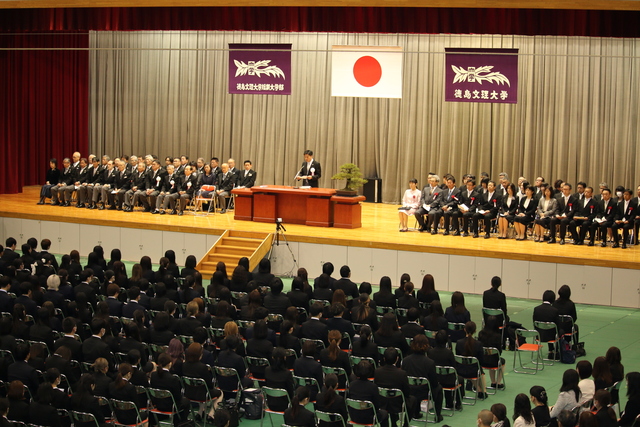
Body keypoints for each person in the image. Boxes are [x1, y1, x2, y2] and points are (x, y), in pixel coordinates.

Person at [402, 334, 443, 422]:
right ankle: (438, 415)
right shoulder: (430, 362)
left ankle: (416, 413)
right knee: (438, 388)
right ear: (426, 346)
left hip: (410, 390)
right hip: (424, 392)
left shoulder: (405, 360)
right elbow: (434, 383)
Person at [150, 352, 190, 425]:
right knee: (185, 401)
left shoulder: (153, 375)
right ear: (170, 364)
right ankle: (180, 424)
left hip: (157, 404)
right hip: (170, 406)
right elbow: (177, 397)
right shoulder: (172, 379)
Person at [348, 361, 388, 426]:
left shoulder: (352, 385)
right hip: (369, 418)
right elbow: (376, 406)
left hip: (354, 417)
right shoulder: (373, 387)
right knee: (384, 413)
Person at [455, 321, 486, 399]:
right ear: (475, 331)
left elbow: (457, 358)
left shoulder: (459, 343)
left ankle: (479, 390)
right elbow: (481, 361)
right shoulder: (478, 344)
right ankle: (483, 391)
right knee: (479, 370)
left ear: (464, 329)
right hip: (474, 372)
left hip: (460, 371)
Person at [264, 347, 294, 412]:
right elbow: (290, 392)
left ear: (272, 357)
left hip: (270, 403)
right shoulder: (287, 373)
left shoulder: (267, 370)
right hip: (284, 405)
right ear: (284, 358)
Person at [533, 290, 561, 359]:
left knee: (547, 328)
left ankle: (550, 350)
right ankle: (556, 351)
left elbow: (534, 323)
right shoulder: (554, 310)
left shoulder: (536, 309)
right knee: (559, 331)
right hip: (552, 336)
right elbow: (558, 325)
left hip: (539, 335)